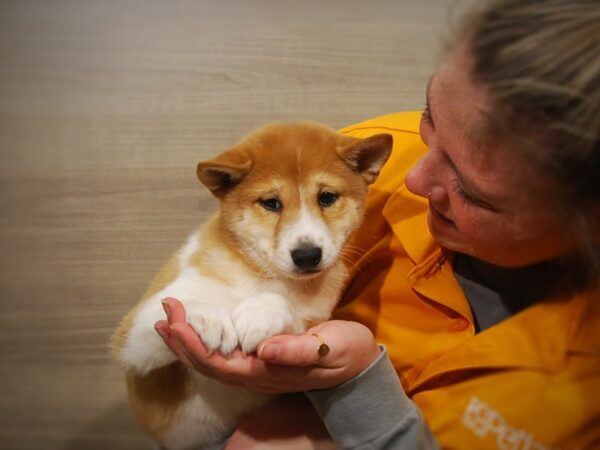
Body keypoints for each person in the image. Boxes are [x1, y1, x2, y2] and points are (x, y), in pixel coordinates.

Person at [155, 0, 600, 448]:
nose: (414, 178)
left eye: (470, 192)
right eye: (430, 117)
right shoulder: (358, 162)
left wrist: (357, 390)